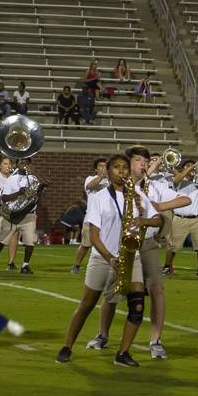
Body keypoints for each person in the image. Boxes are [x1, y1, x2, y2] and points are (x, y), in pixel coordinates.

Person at [56, 153, 161, 368]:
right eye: (116, 167)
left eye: (124, 167)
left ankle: (123, 353)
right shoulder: (99, 197)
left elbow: (158, 219)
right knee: (87, 304)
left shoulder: (137, 193)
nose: (121, 171)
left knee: (138, 305)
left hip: (132, 257)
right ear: (109, 171)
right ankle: (67, 346)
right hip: (104, 258)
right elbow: (94, 235)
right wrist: (110, 258)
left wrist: (143, 219)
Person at [87, 148, 191, 360]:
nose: (143, 164)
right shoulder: (116, 187)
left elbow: (185, 200)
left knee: (156, 289)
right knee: (113, 291)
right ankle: (103, 334)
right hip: (122, 245)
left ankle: (155, 340)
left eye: (145, 160)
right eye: (138, 160)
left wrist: (158, 206)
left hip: (147, 243)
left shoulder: (156, 186)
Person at [164, 159, 198, 277]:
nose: (191, 168)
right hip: (179, 218)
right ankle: (167, 267)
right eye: (187, 166)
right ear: (183, 168)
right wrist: (190, 168)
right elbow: (176, 180)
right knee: (173, 245)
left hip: (197, 219)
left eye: (193, 166)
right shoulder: (179, 181)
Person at [0, 161, 40, 274]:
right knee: (2, 240)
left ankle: (25, 266)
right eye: (22, 164)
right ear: (17, 166)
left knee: (30, 242)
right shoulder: (11, 179)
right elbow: (4, 198)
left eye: (28, 164)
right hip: (13, 214)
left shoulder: (34, 179)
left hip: (29, 214)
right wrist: (18, 193)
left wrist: (35, 173)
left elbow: (46, 184)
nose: (25, 166)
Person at [71, 159, 108, 274]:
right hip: (92, 218)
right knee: (86, 244)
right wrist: (102, 176)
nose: (104, 168)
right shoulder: (90, 178)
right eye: (101, 166)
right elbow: (90, 186)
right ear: (96, 169)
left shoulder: (112, 181)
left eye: (106, 166)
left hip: (107, 218)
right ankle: (76, 265)